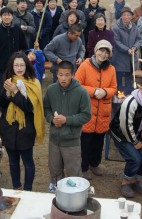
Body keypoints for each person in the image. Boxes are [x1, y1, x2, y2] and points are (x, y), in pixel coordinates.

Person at [0, 52, 45, 190]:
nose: (19, 68)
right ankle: (16, 186)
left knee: (28, 162)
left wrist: (15, 92)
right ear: (11, 66)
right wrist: (7, 94)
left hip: (26, 128)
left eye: (22, 65)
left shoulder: (34, 82)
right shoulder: (8, 81)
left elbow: (28, 106)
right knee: (13, 162)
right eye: (16, 65)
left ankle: (28, 188)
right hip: (8, 127)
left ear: (27, 66)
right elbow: (2, 106)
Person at [43, 61, 91, 192]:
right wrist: (52, 119)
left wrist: (67, 120)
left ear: (73, 75)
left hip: (72, 142)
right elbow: (46, 108)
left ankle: (75, 197)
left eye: (67, 75)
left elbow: (86, 115)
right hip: (54, 140)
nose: (63, 78)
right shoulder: (51, 90)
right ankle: (55, 194)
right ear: (56, 74)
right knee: (54, 171)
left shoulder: (81, 92)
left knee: (74, 173)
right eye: (60, 75)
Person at [75, 40, 117, 180]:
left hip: (103, 112)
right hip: (87, 111)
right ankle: (83, 167)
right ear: (96, 50)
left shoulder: (111, 69)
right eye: (101, 50)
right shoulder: (84, 66)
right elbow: (77, 85)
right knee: (85, 142)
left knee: (99, 141)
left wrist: (105, 92)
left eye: (106, 52)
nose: (103, 54)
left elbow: (114, 88)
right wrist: (94, 91)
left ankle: (95, 164)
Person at [110, 77, 142, 198]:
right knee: (135, 159)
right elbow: (125, 125)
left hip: (137, 133)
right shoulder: (131, 102)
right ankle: (126, 182)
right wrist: (136, 142)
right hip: (121, 133)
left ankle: (135, 180)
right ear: (141, 88)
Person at [0, 7, 28, 96]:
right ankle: (4, 110)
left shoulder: (18, 30)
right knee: (2, 92)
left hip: (16, 68)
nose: (7, 17)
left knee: (17, 91)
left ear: (12, 17)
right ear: (1, 17)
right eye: (4, 15)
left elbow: (24, 48)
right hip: (1, 69)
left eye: (9, 15)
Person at [112, 6, 141, 95]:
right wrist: (127, 49)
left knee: (130, 78)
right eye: (124, 15)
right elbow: (116, 42)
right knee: (120, 79)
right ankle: (120, 96)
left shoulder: (135, 27)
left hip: (132, 59)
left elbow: (139, 39)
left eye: (128, 15)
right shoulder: (116, 28)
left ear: (132, 16)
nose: (126, 17)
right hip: (120, 58)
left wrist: (135, 47)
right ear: (121, 16)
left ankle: (129, 96)